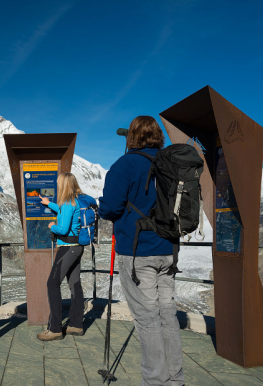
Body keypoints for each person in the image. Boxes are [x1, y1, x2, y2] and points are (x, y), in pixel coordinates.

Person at [99, 116, 184, 386]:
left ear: (131, 137)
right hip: (169, 250)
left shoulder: (125, 165)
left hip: (138, 252)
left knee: (147, 320)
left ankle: (155, 381)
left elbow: (110, 209)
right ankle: (175, 380)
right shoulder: (172, 164)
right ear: (158, 136)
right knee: (167, 315)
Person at [37, 172, 85, 341]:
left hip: (67, 248)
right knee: (74, 284)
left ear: (63, 185)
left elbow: (63, 229)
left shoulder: (66, 203)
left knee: (52, 283)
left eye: (59, 184)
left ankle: (55, 328)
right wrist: (50, 204)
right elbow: (66, 212)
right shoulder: (75, 201)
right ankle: (76, 324)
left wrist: (52, 226)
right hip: (77, 246)